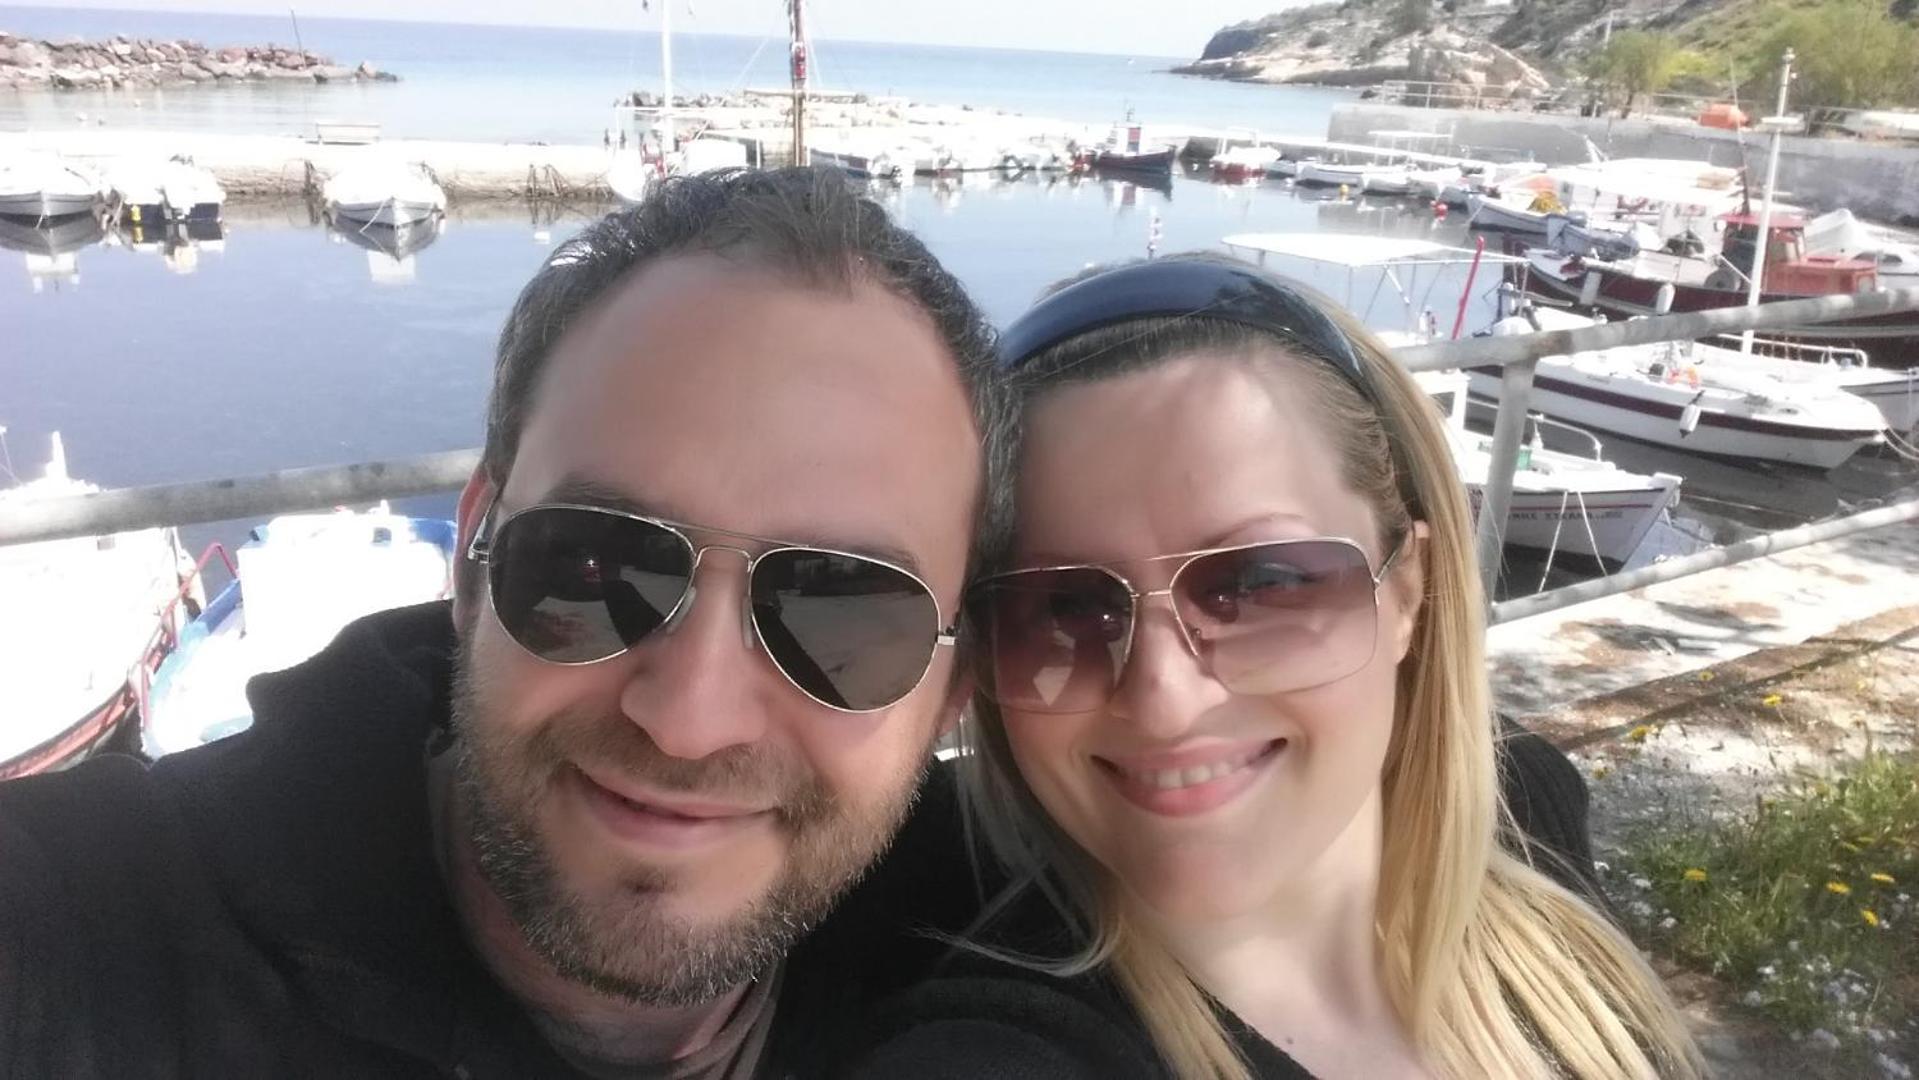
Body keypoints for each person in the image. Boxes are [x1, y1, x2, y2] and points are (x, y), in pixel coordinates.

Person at [0, 166, 1015, 1078]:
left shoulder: (1004, 941)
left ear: (951, 691)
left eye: (840, 612)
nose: (688, 720)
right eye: (593, 564)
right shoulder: (93, 924)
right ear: (473, 556)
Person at [845, 256, 1702, 1079]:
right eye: (1062, 607)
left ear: (1409, 589)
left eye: (1261, 584)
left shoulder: (1532, 809)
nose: (1165, 703)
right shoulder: (997, 1048)